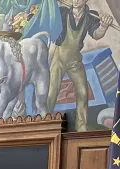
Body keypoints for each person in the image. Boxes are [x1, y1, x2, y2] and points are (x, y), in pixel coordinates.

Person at [47, 0, 113, 132]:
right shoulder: (62, 12)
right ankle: (46, 122)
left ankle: (81, 126)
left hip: (75, 60)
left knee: (83, 92)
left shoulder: (91, 16)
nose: (75, 1)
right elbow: (49, 23)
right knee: (52, 92)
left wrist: (104, 26)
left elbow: (96, 35)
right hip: (59, 58)